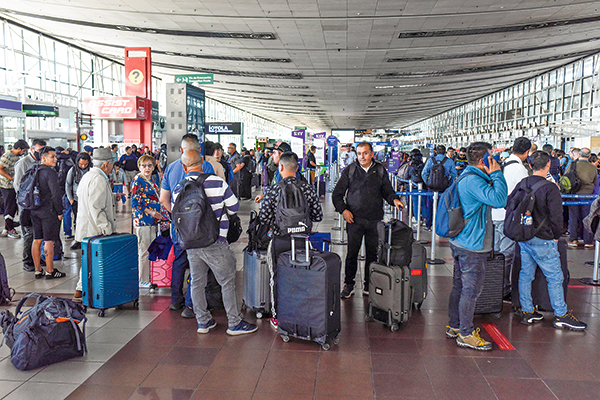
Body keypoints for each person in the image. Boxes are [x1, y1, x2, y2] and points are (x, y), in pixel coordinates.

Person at [173, 149, 257, 335]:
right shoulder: (216, 181)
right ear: (202, 162)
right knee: (227, 281)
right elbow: (234, 207)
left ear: (184, 166)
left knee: (197, 282)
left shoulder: (179, 187)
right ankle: (234, 323)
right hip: (215, 240)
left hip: (191, 243)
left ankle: (203, 322)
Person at [509, 151, 587, 330]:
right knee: (555, 276)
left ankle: (527, 311)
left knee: (525, 274)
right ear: (548, 166)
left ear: (530, 166)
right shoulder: (550, 188)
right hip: (543, 238)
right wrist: (556, 235)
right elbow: (557, 216)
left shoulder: (523, 183)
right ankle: (561, 314)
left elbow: (509, 203)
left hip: (524, 236)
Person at [446, 142, 507, 351]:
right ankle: (465, 333)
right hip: (471, 244)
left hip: (462, 240)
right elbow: (499, 200)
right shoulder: (473, 181)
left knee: (460, 286)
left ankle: (455, 325)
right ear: (484, 160)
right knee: (470, 290)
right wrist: (498, 174)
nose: (496, 161)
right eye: (493, 158)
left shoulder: (469, 177)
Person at [258, 151, 323, 328]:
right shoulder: (307, 188)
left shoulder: (274, 189)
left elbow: (263, 217)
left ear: (280, 167)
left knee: (277, 277)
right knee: (302, 276)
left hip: (280, 240)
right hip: (303, 240)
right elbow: (318, 216)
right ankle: (302, 312)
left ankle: (278, 317)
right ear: (297, 168)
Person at [332, 142, 404, 298]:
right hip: (354, 220)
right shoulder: (350, 171)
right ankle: (348, 284)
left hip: (374, 220)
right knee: (352, 254)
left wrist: (395, 200)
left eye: (365, 153)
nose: (361, 157)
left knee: (373, 254)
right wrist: (344, 210)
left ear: (372, 154)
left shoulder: (379, 170)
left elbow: (387, 191)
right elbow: (337, 194)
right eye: (359, 153)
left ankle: (368, 284)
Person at [159, 134, 214, 316]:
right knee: (198, 263)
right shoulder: (205, 166)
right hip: (199, 226)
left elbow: (163, 199)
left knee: (179, 260)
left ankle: (175, 300)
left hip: (178, 226)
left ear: (181, 150)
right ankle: (191, 304)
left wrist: (176, 217)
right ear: (199, 151)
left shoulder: (170, 169)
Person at [72, 148, 117, 302]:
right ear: (106, 164)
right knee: (96, 262)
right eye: (111, 163)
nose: (112, 167)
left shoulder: (87, 176)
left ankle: (81, 290)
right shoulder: (98, 179)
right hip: (95, 229)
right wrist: (106, 228)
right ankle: (92, 293)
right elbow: (97, 207)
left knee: (87, 261)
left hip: (86, 227)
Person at [491, 137, 531, 300]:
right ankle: (503, 289)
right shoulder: (520, 170)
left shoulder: (503, 164)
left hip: (494, 213)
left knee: (495, 252)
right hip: (508, 216)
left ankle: (491, 286)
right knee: (507, 254)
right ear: (527, 152)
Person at [131, 155, 167, 288]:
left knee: (150, 249)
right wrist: (151, 212)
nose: (147, 168)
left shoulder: (151, 180)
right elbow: (135, 203)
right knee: (144, 250)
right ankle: (143, 279)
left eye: (150, 165)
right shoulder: (137, 181)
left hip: (153, 221)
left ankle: (151, 276)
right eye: (144, 165)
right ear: (139, 166)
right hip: (143, 220)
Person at [31, 146, 66, 279]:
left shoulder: (34, 169)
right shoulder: (50, 172)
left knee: (37, 239)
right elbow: (56, 194)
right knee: (49, 241)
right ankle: (50, 271)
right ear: (44, 158)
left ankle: (38, 270)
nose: (56, 159)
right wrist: (59, 211)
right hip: (48, 211)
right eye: (53, 157)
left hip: (34, 209)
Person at [14, 139, 46, 272]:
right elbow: (18, 184)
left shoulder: (41, 162)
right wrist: (26, 200)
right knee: (29, 232)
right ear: (32, 149)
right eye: (39, 151)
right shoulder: (23, 163)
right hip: (27, 204)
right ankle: (27, 259)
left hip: (39, 203)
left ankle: (37, 256)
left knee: (39, 232)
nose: (41, 153)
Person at [566, 147, 597, 247]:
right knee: (587, 217)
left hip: (573, 194)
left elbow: (566, 177)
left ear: (579, 155)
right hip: (587, 196)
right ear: (589, 157)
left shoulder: (573, 165)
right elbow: (595, 181)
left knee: (573, 217)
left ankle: (573, 240)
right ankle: (588, 241)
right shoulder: (593, 168)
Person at [0, 139, 29, 238]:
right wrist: (11, 178)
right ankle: (10, 230)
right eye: (23, 150)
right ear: (19, 148)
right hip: (6, 186)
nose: (23, 153)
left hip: (14, 185)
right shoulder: (7, 156)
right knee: (10, 207)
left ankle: (6, 228)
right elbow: (0, 169)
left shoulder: (17, 157)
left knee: (12, 207)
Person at [65, 152, 91, 250]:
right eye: (81, 164)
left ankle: (88, 238)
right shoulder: (73, 170)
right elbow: (68, 184)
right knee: (78, 220)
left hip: (89, 200)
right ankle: (78, 240)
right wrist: (70, 198)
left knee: (89, 220)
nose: (83, 166)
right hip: (76, 200)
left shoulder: (91, 171)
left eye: (85, 164)